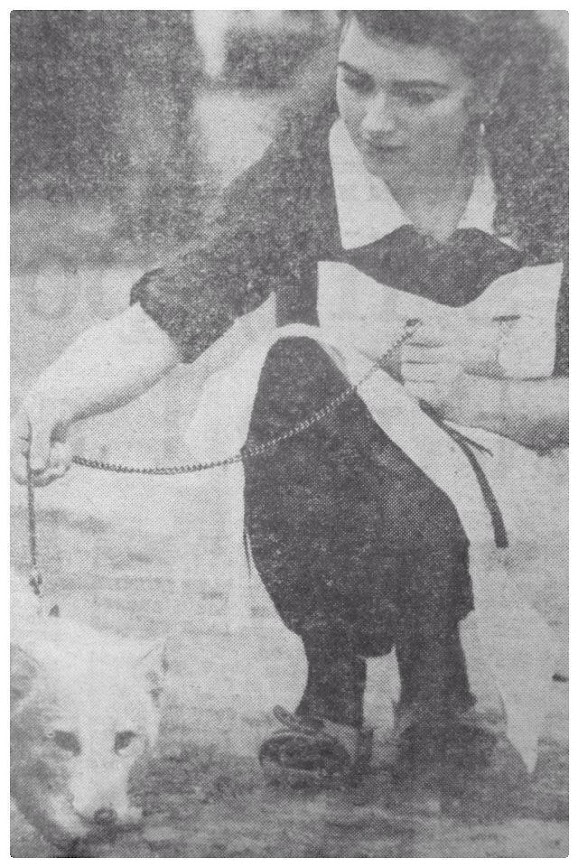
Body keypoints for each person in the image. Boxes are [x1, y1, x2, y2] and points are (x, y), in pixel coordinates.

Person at [12, 11, 568, 785]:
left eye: (417, 95)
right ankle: (329, 691)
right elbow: (176, 308)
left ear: (491, 89)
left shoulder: (550, 183)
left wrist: (485, 397)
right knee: (291, 371)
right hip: (338, 479)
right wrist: (54, 397)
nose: (376, 121)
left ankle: (439, 687)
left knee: (424, 462)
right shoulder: (308, 173)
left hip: (508, 491)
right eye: (356, 81)